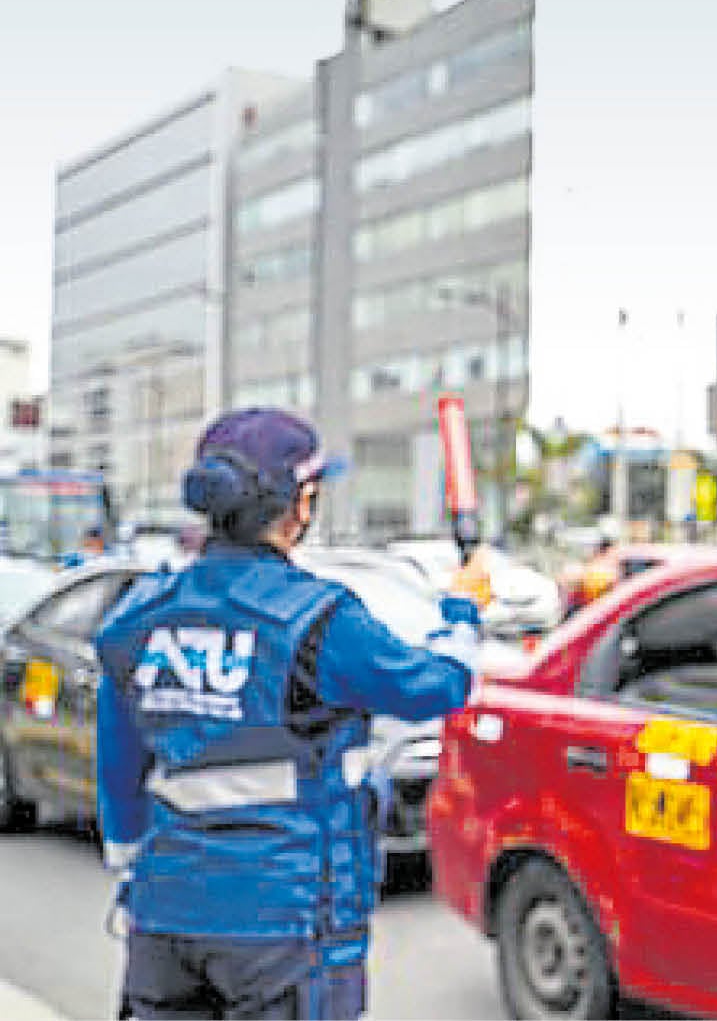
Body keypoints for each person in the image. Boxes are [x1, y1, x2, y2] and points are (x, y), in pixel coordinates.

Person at [94, 408, 479, 1019]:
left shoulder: (140, 615)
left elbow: (118, 772)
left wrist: (134, 866)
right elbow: (434, 688)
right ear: (299, 504)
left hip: (163, 917)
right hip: (284, 924)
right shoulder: (318, 619)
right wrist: (461, 616)